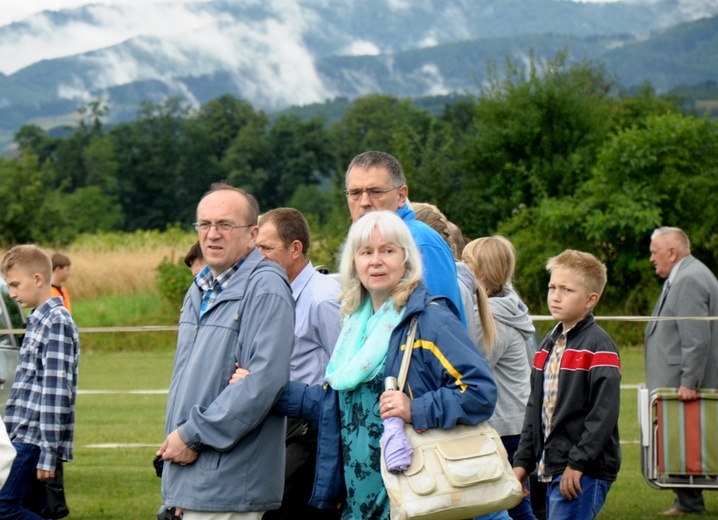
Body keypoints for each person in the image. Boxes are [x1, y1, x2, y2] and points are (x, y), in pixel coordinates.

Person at [258, 210, 497, 518]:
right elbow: (338, 405)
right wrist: (264, 389)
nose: (376, 261)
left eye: (388, 251)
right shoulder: (355, 326)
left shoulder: (429, 320)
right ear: (353, 263)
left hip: (412, 498)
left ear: (406, 260)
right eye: (366, 252)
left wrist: (416, 409)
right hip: (357, 502)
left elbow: (481, 392)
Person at [157, 182, 295, 520]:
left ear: (252, 234)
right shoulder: (201, 287)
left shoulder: (265, 288)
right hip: (193, 473)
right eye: (204, 224)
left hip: (229, 479)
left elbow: (260, 383)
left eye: (225, 225)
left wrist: (192, 436)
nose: (212, 234)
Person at [512, 249, 621, 520]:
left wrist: (578, 463)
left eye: (567, 290)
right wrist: (522, 463)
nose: (555, 296)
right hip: (550, 465)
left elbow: (603, 413)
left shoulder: (599, 346)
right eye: (552, 287)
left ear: (590, 300)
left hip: (580, 472)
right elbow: (533, 410)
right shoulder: (547, 345)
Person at [255, 208, 341, 520]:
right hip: (284, 423)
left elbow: (343, 371)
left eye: (267, 248)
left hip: (314, 430)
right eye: (256, 248)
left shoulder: (323, 298)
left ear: (295, 248)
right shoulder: (275, 291)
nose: (259, 256)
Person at [0, 245, 80, 519]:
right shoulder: (37, 320)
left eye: (15, 284)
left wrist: (48, 454)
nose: (11, 293)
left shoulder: (56, 322)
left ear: (37, 279)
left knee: (4, 507)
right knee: (34, 509)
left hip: (33, 438)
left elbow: (55, 393)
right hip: (20, 435)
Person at [344, 151, 466, 327]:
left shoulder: (420, 241)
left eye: (375, 192)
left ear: (401, 196)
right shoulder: (360, 244)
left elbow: (441, 326)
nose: (364, 202)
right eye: (355, 193)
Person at [645, 226, 718, 516]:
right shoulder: (687, 273)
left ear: (671, 252)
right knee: (687, 443)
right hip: (677, 380)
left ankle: (688, 502)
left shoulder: (689, 278)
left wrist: (689, 382)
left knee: (695, 442)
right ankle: (687, 502)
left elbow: (696, 339)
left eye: (654, 252)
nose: (651, 259)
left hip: (684, 384)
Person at [463, 236, 537, 520]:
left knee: (512, 504)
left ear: (482, 272)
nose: (461, 267)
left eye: (467, 262)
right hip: (514, 423)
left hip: (505, 428)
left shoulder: (491, 317)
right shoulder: (508, 306)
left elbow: (474, 366)